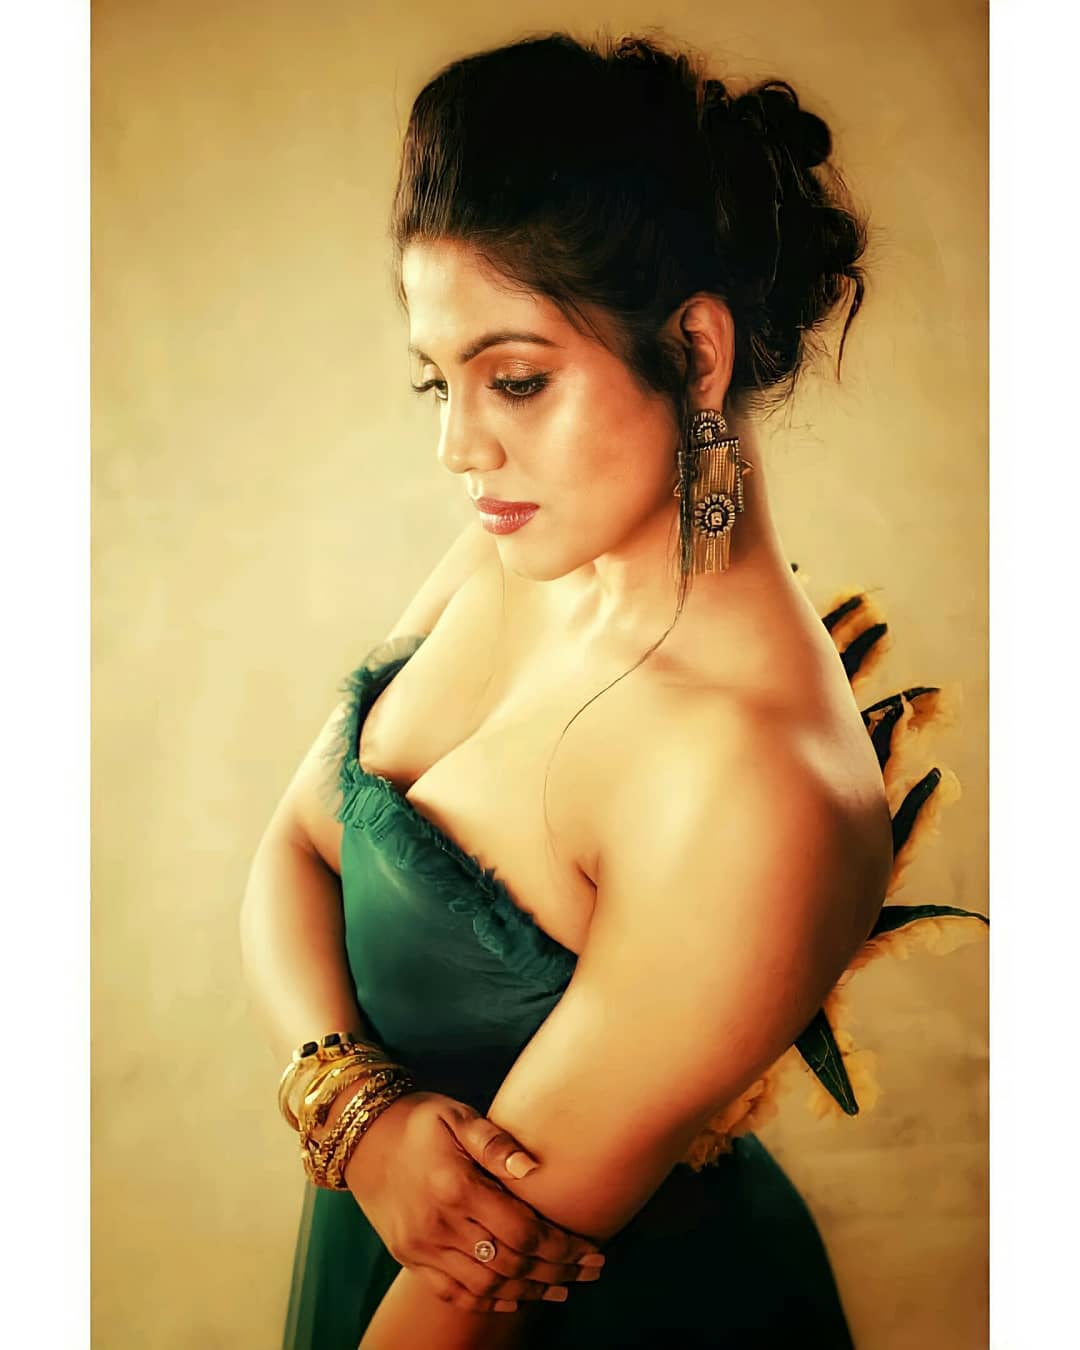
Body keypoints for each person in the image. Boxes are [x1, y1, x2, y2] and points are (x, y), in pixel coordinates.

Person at [241, 30, 987, 1350]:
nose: (457, 445)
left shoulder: (756, 781)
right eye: (438, 379)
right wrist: (356, 1114)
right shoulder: (518, 549)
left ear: (695, 354)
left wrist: (365, 1126)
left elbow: (464, 1290)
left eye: (516, 380)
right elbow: (291, 850)